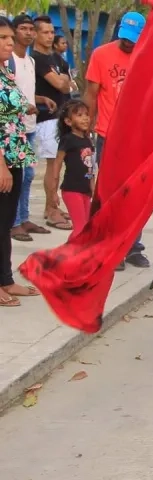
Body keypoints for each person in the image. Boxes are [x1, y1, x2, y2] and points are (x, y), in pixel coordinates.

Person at [83, 12, 150, 271]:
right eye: (125, 37)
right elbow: (91, 94)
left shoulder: (148, 57)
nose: (128, 43)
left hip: (138, 137)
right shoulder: (101, 54)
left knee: (136, 194)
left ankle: (133, 246)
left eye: (133, 39)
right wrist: (85, 130)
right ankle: (112, 249)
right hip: (107, 135)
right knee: (109, 194)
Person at [0, 17, 40, 307]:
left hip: (15, 154)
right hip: (1, 159)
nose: (9, 43)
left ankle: (6, 279)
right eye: (2, 38)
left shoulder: (5, 70)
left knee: (4, 223)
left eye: (9, 38)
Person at [9, 14, 51, 242]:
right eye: (23, 29)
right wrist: (23, 106)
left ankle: (23, 217)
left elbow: (26, 92)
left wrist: (41, 99)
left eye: (30, 29)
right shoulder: (9, 61)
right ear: (15, 31)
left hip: (30, 125)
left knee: (28, 175)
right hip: (14, 128)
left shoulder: (30, 61)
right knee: (19, 174)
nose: (27, 33)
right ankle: (14, 222)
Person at [31, 15, 73, 231]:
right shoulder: (37, 58)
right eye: (45, 32)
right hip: (46, 118)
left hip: (61, 117)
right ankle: (51, 208)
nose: (49, 36)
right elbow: (60, 83)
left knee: (59, 164)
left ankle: (52, 205)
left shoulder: (57, 59)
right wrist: (64, 83)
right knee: (52, 164)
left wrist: (64, 83)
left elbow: (69, 84)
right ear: (36, 34)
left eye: (51, 32)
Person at [52, 100, 95, 241]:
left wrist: (92, 188)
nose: (85, 118)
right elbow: (57, 164)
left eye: (87, 115)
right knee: (80, 229)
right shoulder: (68, 140)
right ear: (68, 122)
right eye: (80, 115)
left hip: (85, 191)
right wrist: (53, 192)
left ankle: (67, 254)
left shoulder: (88, 141)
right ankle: (74, 259)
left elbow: (90, 167)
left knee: (86, 227)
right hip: (71, 190)